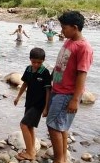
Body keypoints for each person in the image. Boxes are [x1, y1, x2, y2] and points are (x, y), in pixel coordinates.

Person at [46, 11, 93, 163]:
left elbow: (82, 74)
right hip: (57, 89)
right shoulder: (69, 41)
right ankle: (63, 158)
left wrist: (75, 99)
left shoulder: (83, 47)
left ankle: (58, 159)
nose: (61, 31)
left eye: (64, 27)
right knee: (61, 126)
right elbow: (60, 63)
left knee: (53, 126)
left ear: (75, 27)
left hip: (67, 94)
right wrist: (50, 78)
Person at [13, 47, 51, 161]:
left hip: (38, 105)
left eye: (39, 62)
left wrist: (46, 108)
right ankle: (32, 149)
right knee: (29, 126)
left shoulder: (45, 72)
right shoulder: (28, 69)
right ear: (30, 60)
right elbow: (25, 84)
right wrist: (18, 97)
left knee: (23, 125)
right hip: (29, 102)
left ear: (43, 60)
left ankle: (29, 153)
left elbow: (48, 91)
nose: (36, 64)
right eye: (34, 62)